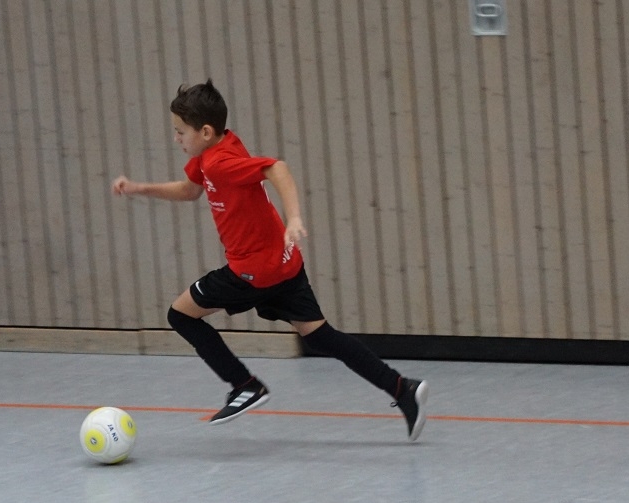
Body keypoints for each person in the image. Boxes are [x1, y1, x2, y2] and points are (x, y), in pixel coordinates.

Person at [111, 79, 427, 440]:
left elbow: (277, 168)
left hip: (252, 270)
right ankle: (402, 388)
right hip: (285, 262)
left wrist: (295, 217)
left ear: (206, 132)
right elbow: (189, 190)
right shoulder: (216, 150)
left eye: (180, 132)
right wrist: (139, 188)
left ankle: (244, 385)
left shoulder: (220, 162)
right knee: (320, 336)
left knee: (180, 315)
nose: (176, 138)